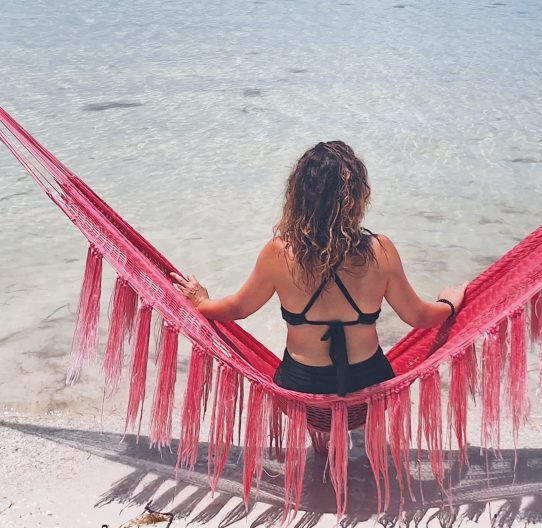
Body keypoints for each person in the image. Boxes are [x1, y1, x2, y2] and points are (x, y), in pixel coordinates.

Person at [172, 140, 467, 398]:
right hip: (369, 388)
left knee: (313, 414)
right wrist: (450, 304)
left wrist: (201, 302)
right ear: (356, 196)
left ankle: (321, 443)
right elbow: (419, 317)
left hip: (301, 387)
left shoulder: (279, 253)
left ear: (298, 195)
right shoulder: (380, 250)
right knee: (359, 408)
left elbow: (237, 309)